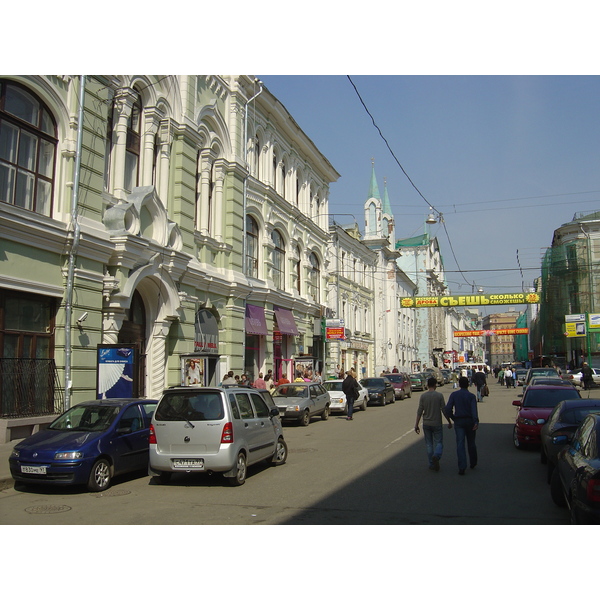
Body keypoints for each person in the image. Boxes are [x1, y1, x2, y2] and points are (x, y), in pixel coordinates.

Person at [414, 377, 453, 471]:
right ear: (435, 385)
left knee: (429, 444)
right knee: (438, 442)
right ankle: (436, 455)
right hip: (437, 423)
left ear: (427, 385)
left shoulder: (423, 396)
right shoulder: (439, 396)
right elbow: (444, 410)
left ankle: (431, 463)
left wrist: (416, 424)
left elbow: (420, 411)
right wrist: (449, 421)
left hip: (426, 423)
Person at [444, 376, 479, 475]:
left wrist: (453, 417)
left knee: (460, 443)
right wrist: (476, 421)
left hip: (459, 421)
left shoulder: (454, 395)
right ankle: (473, 462)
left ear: (459, 385)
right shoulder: (471, 396)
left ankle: (462, 467)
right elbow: (474, 410)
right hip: (470, 421)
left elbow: (448, 409)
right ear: (468, 385)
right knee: (471, 442)